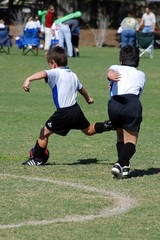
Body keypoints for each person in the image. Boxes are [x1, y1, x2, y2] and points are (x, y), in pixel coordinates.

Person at [22, 46, 112, 166]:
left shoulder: (55, 72)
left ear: (53, 63)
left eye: (49, 64)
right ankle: (108, 125)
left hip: (63, 112)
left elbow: (43, 73)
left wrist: (28, 79)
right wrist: (88, 98)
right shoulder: (72, 74)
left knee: (44, 133)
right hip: (76, 109)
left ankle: (37, 159)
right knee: (89, 130)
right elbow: (81, 88)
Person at [107, 45, 146, 179]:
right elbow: (136, 93)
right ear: (137, 61)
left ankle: (125, 167)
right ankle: (119, 164)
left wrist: (111, 78)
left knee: (120, 136)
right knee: (131, 141)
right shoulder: (141, 74)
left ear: (121, 60)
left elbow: (110, 72)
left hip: (114, 104)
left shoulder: (116, 67)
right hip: (131, 103)